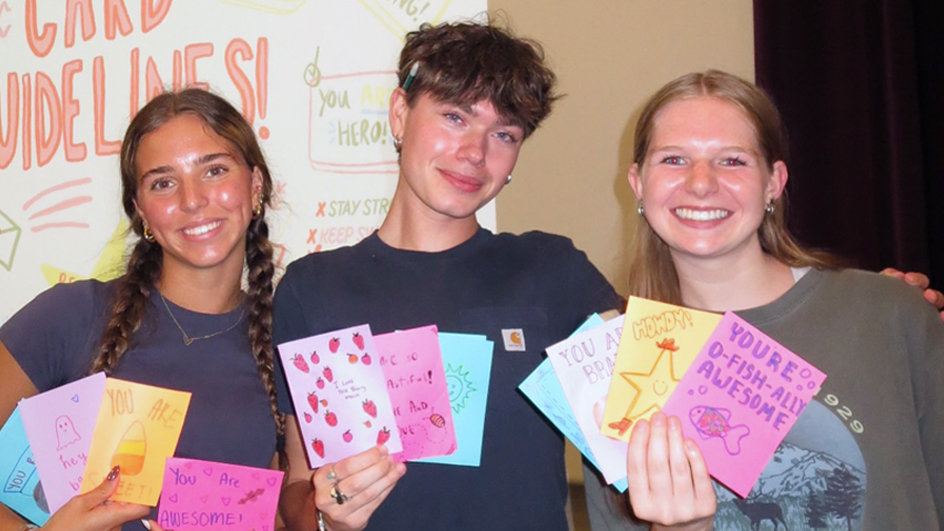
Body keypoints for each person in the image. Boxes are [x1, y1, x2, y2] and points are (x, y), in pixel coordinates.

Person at [272, 20, 633, 531]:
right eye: (455, 116)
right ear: (400, 114)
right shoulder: (314, 287)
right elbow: (298, 486)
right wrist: (327, 514)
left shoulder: (554, 271)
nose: (475, 153)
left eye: (503, 134)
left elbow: (645, 419)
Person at [586, 70, 944, 530]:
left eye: (732, 161)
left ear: (774, 181)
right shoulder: (612, 373)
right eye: (674, 160)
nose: (700, 183)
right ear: (638, 183)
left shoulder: (887, 315)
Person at [0, 88, 283, 531]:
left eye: (214, 170)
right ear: (141, 212)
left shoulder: (284, 344)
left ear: (256, 184)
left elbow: (282, 514)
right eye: (163, 182)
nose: (192, 200)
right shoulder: (71, 315)